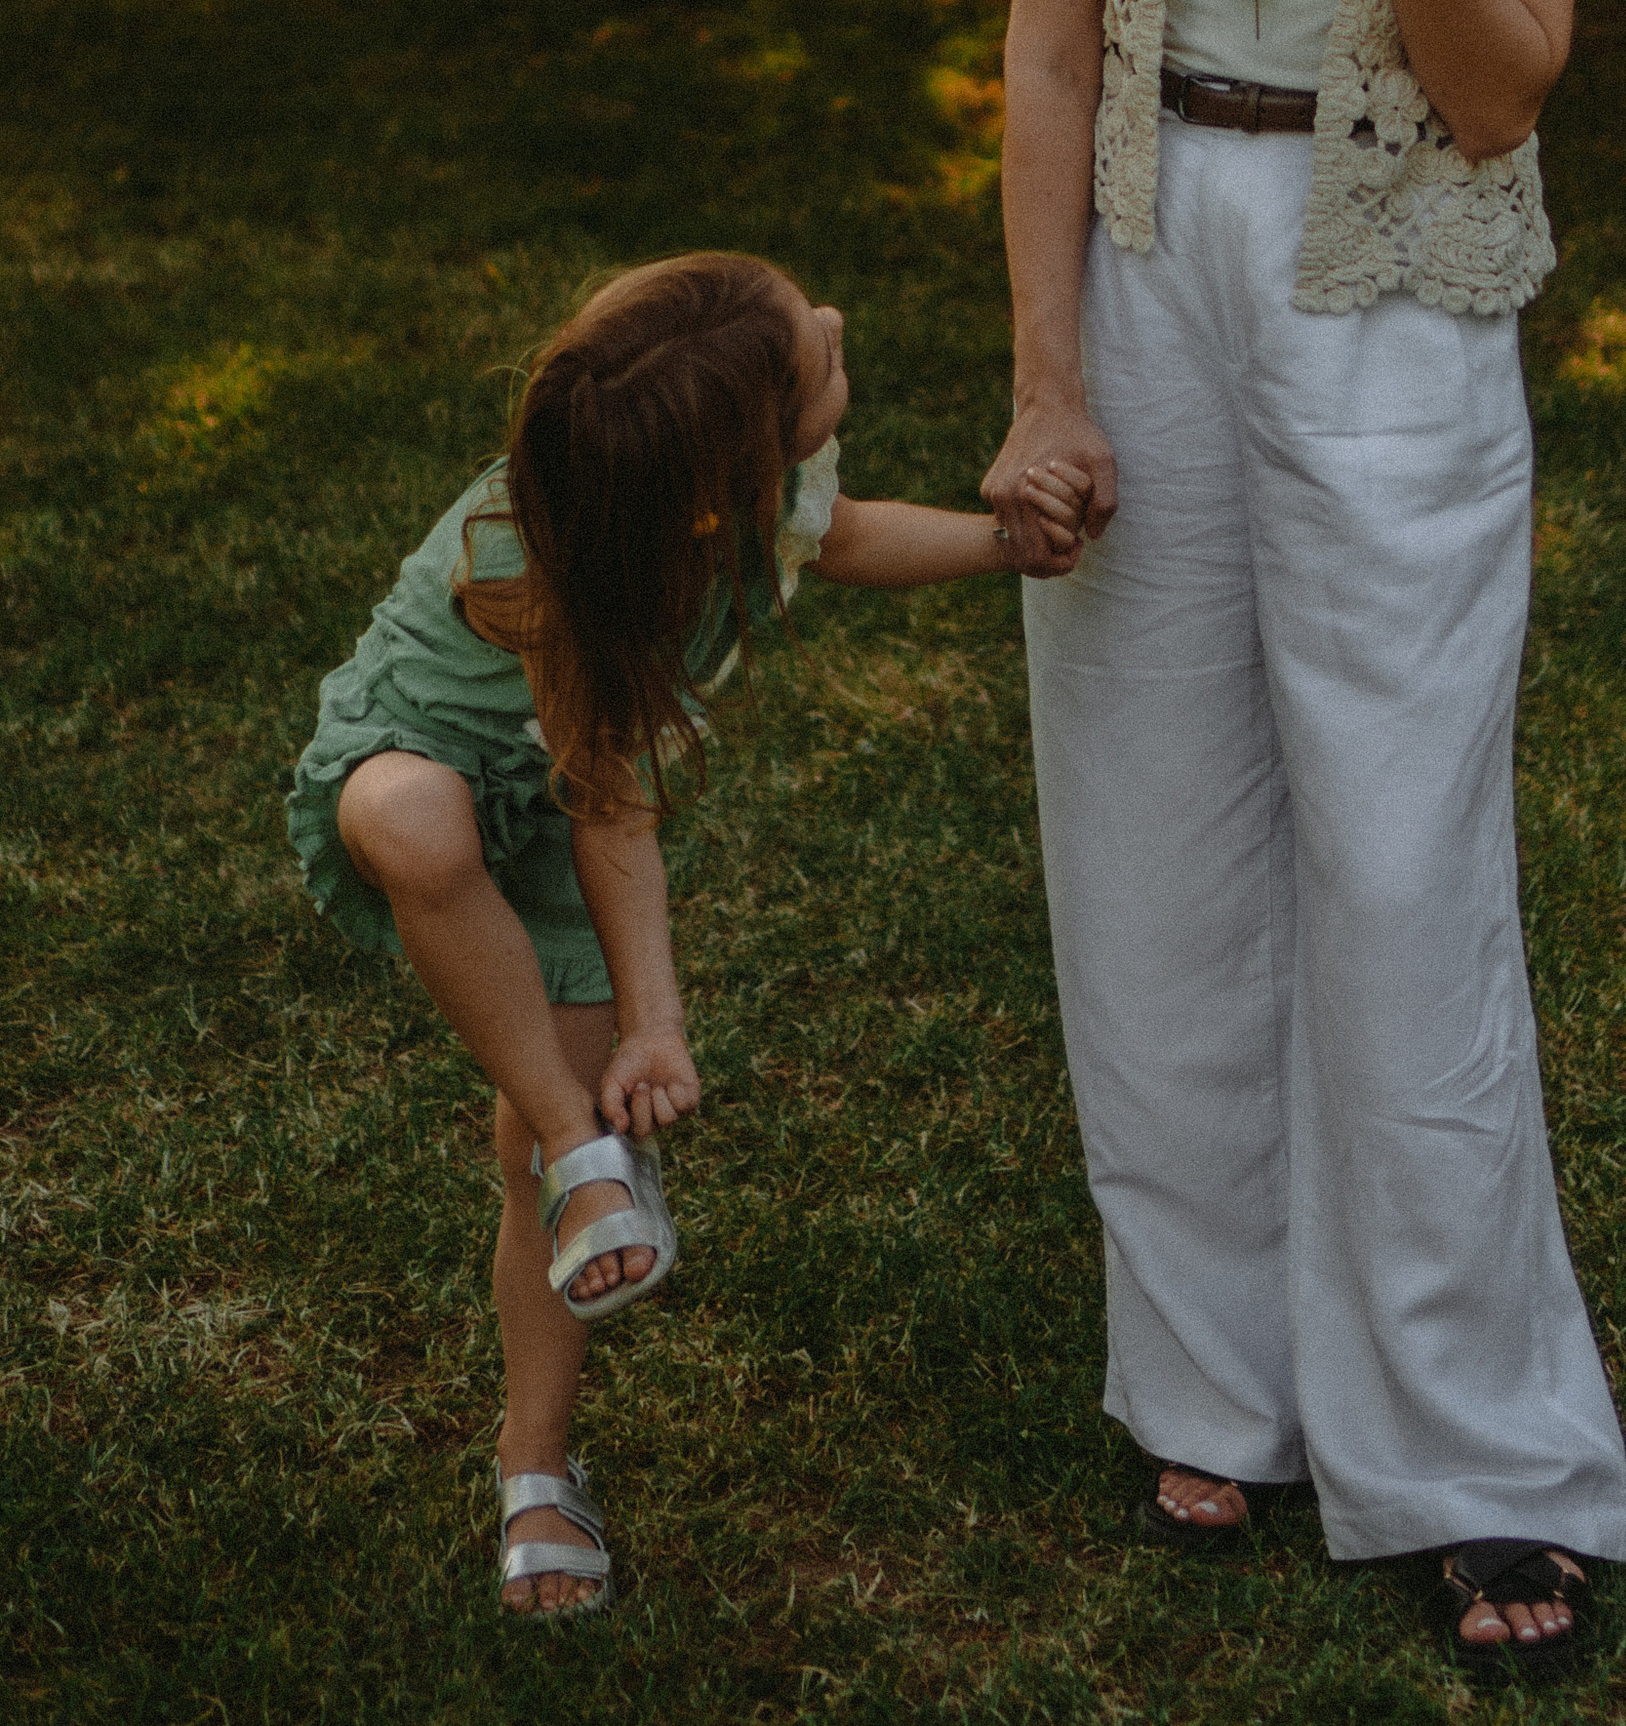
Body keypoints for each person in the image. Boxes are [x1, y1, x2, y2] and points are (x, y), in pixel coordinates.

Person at [984, 0, 1626, 1684]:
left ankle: (1477, 1457)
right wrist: (1052, 381)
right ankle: (1212, 1381)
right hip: (1148, 256)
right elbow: (1049, 55)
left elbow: (1491, 89)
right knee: (1147, 848)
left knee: (1395, 866)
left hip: (1387, 286)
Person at [287, 250, 1081, 1620]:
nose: (838, 325)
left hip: (564, 822)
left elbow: (840, 537)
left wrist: (1003, 541)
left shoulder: (730, 505)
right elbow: (614, 816)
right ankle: (578, 1147)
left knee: (539, 1155)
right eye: (817, 356)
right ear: (731, 475)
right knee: (423, 828)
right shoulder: (528, 568)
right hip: (428, 771)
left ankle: (534, 1460)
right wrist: (646, 1025)